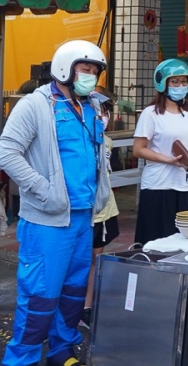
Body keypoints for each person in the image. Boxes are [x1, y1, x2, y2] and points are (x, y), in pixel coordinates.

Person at [0, 40, 112, 366]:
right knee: (40, 297)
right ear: (65, 67)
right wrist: (42, 190)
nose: (90, 76)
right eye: (84, 69)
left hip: (83, 217)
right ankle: (21, 359)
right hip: (48, 220)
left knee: (74, 291)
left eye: (94, 71)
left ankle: (62, 350)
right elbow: (7, 153)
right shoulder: (35, 105)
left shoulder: (90, 107)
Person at [133, 58, 188, 245]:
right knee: (155, 241)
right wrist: (167, 159)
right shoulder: (150, 114)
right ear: (163, 83)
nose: (180, 86)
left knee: (186, 241)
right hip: (159, 185)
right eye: (175, 82)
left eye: (184, 81)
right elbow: (138, 149)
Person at [81, 87, 121, 331]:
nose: (102, 117)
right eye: (97, 112)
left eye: (105, 112)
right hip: (80, 211)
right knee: (76, 260)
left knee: (95, 259)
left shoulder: (107, 141)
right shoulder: (76, 140)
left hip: (104, 211)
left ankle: (87, 307)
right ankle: (67, 309)